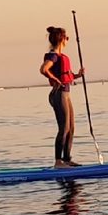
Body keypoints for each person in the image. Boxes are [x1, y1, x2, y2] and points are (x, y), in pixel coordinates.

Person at [38, 26, 85, 167]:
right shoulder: (53, 56)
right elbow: (43, 69)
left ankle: (67, 159)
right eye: (66, 37)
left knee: (71, 127)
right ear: (61, 39)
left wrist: (78, 75)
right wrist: (56, 80)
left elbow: (67, 76)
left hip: (66, 93)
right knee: (63, 128)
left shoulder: (62, 57)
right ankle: (58, 161)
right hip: (59, 94)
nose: (68, 40)